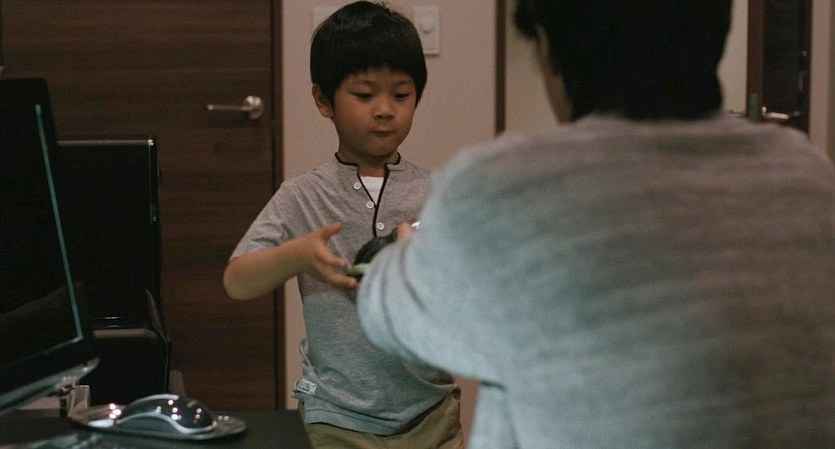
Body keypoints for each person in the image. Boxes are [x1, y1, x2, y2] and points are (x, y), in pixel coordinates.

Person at [355, 1, 835, 448]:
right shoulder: (809, 177)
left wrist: (397, 252)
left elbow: (389, 312)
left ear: (549, 49)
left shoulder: (506, 189)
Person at [223, 2, 462, 448]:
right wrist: (299, 255)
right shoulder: (302, 195)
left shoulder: (439, 194)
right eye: (365, 95)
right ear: (323, 100)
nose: (385, 110)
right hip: (337, 417)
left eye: (402, 95)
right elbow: (237, 280)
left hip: (431, 412)